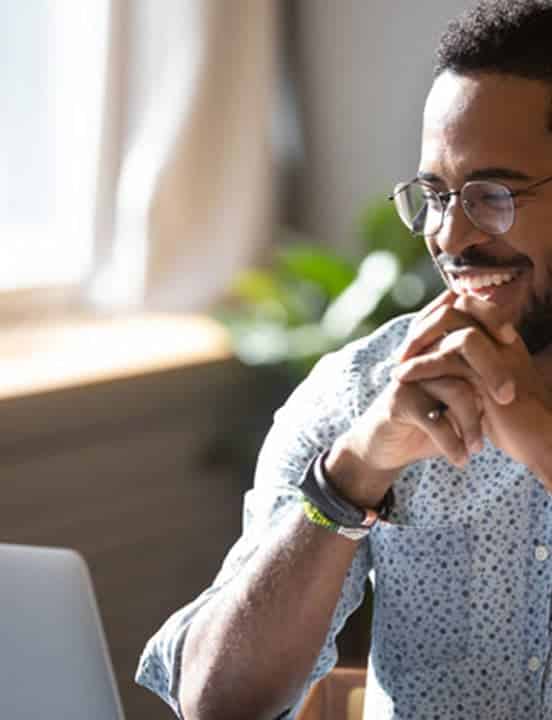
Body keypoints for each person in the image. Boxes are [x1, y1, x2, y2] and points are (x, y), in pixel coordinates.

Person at [135, 1, 552, 717]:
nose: (451, 237)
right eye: (435, 195)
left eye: (492, 195)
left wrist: (541, 442)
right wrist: (350, 477)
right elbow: (214, 703)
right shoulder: (363, 389)